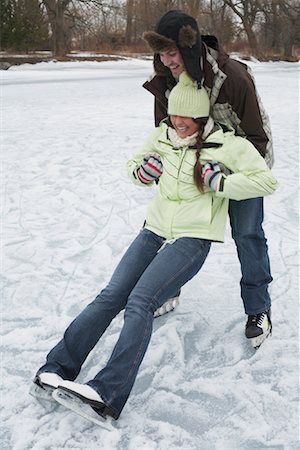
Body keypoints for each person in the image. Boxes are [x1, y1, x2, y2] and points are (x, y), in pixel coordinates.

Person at [31, 72, 276, 422]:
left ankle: (107, 393)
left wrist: (222, 183)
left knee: (140, 302)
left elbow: (265, 180)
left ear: (202, 117)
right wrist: (142, 171)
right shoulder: (161, 136)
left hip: (193, 238)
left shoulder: (228, 145)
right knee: (110, 296)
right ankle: (56, 368)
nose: (177, 122)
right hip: (154, 230)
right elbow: (132, 167)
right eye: (173, 115)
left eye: (185, 117)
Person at [142, 10, 274, 346]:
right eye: (160, 53)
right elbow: (166, 132)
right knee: (180, 227)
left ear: (189, 48)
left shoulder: (233, 78)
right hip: (195, 165)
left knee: (247, 234)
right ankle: (169, 290)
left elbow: (258, 139)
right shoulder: (167, 79)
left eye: (172, 53)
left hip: (242, 164)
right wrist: (162, 167)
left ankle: (258, 308)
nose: (166, 61)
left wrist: (226, 177)